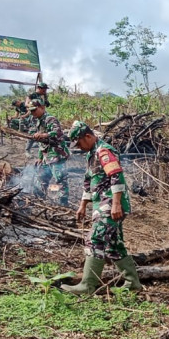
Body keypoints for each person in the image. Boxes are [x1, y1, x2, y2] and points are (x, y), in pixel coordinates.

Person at [61, 121, 142, 294]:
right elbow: (89, 182)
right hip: (102, 205)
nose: (79, 147)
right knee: (114, 245)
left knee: (95, 239)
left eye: (80, 142)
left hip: (110, 205)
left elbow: (116, 176)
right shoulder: (91, 154)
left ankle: (87, 285)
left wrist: (116, 203)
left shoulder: (103, 151)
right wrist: (83, 205)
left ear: (88, 136)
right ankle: (133, 283)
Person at [14, 98, 70, 206]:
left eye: (34, 110)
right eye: (31, 111)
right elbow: (41, 143)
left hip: (56, 154)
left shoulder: (50, 119)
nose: (32, 113)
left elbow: (58, 133)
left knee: (60, 179)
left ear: (42, 108)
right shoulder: (37, 121)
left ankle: (63, 203)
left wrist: (45, 134)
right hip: (46, 155)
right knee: (41, 177)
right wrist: (40, 157)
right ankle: (40, 200)